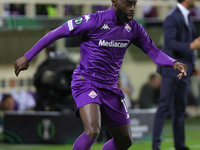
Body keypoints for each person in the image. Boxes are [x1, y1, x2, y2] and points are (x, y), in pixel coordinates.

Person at [14, 0, 188, 149]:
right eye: (127, 3)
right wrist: (27, 57)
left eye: (134, 3)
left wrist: (173, 62)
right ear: (114, 2)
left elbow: (154, 52)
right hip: (86, 82)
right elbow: (56, 33)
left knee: (125, 141)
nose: (132, 8)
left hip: (111, 88)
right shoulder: (94, 21)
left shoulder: (134, 29)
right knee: (92, 130)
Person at [152, 0, 200, 150]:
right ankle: (156, 146)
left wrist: (193, 65)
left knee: (180, 109)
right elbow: (170, 43)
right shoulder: (172, 17)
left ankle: (180, 145)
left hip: (183, 70)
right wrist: (192, 46)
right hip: (170, 69)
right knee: (164, 107)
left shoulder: (186, 16)